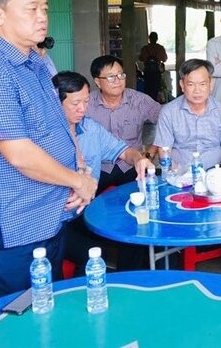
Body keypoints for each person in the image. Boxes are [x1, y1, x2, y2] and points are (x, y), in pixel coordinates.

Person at [0, 0, 97, 301]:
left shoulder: (34, 63)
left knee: (47, 313)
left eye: (44, 8)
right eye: (31, 9)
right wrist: (79, 182)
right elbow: (19, 154)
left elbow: (57, 126)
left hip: (45, 221)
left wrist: (78, 168)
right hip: (15, 228)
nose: (42, 17)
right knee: (23, 321)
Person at [53, 71, 154, 273]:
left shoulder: (90, 129)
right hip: (56, 220)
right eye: (75, 103)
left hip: (84, 212)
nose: (83, 109)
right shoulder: (44, 136)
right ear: (55, 102)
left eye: (86, 101)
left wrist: (139, 159)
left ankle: (127, 282)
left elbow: (125, 151)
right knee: (91, 253)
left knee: (132, 229)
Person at [88, 55, 161, 193]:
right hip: (97, 167)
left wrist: (151, 151)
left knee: (148, 194)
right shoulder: (87, 103)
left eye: (121, 75)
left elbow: (167, 122)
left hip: (132, 166)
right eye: (111, 77)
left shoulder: (139, 101)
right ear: (97, 81)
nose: (118, 81)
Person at [154, 59, 221, 172]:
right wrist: (175, 175)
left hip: (214, 172)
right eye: (191, 84)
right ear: (182, 85)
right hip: (179, 173)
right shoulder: (168, 112)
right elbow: (164, 150)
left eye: (202, 84)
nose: (197, 90)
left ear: (211, 84)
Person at [139, 31, 168, 102]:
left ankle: (148, 103)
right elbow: (164, 59)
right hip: (156, 72)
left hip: (147, 72)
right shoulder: (160, 48)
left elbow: (141, 58)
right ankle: (155, 103)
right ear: (157, 39)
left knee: (148, 89)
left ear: (149, 38)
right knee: (156, 89)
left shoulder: (145, 48)